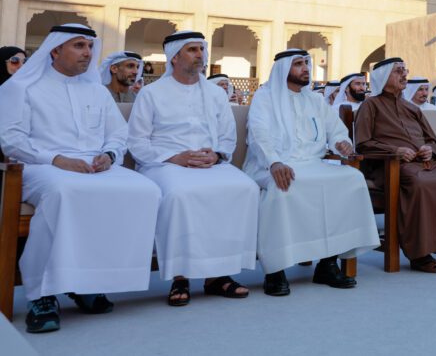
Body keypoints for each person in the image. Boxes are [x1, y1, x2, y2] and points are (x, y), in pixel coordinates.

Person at [0, 24, 161, 333]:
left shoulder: (97, 91)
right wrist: (57, 159)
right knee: (64, 192)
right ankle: (41, 294)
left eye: (89, 46)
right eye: (78, 46)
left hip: (94, 166)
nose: (87, 52)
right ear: (55, 50)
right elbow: (13, 141)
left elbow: (118, 134)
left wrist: (109, 155)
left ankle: (88, 281)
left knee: (146, 190)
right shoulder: (22, 88)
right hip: (40, 166)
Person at [128, 31, 259, 306]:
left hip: (209, 162)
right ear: (174, 57)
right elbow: (137, 142)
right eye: (192, 50)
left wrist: (217, 155)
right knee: (179, 194)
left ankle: (218, 275)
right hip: (164, 163)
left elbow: (227, 136)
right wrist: (175, 157)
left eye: (201, 49)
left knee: (244, 187)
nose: (200, 55)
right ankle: (180, 277)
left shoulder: (215, 93)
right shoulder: (151, 93)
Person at [244, 49, 379, 296]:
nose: (306, 68)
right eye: (298, 64)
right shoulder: (265, 97)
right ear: (283, 69)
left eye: (307, 63)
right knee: (283, 186)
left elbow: (335, 130)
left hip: (312, 163)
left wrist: (341, 143)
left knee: (352, 179)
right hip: (271, 164)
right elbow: (258, 135)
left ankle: (328, 263)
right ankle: (275, 270)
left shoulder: (315, 100)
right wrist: (274, 163)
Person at [355, 57, 436, 273]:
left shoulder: (411, 108)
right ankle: (419, 254)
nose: (404, 75)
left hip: (426, 163)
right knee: (421, 185)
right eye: (398, 71)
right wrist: (395, 151)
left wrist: (429, 149)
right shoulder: (370, 105)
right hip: (392, 166)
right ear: (383, 77)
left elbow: (433, 140)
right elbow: (363, 144)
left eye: (405, 70)